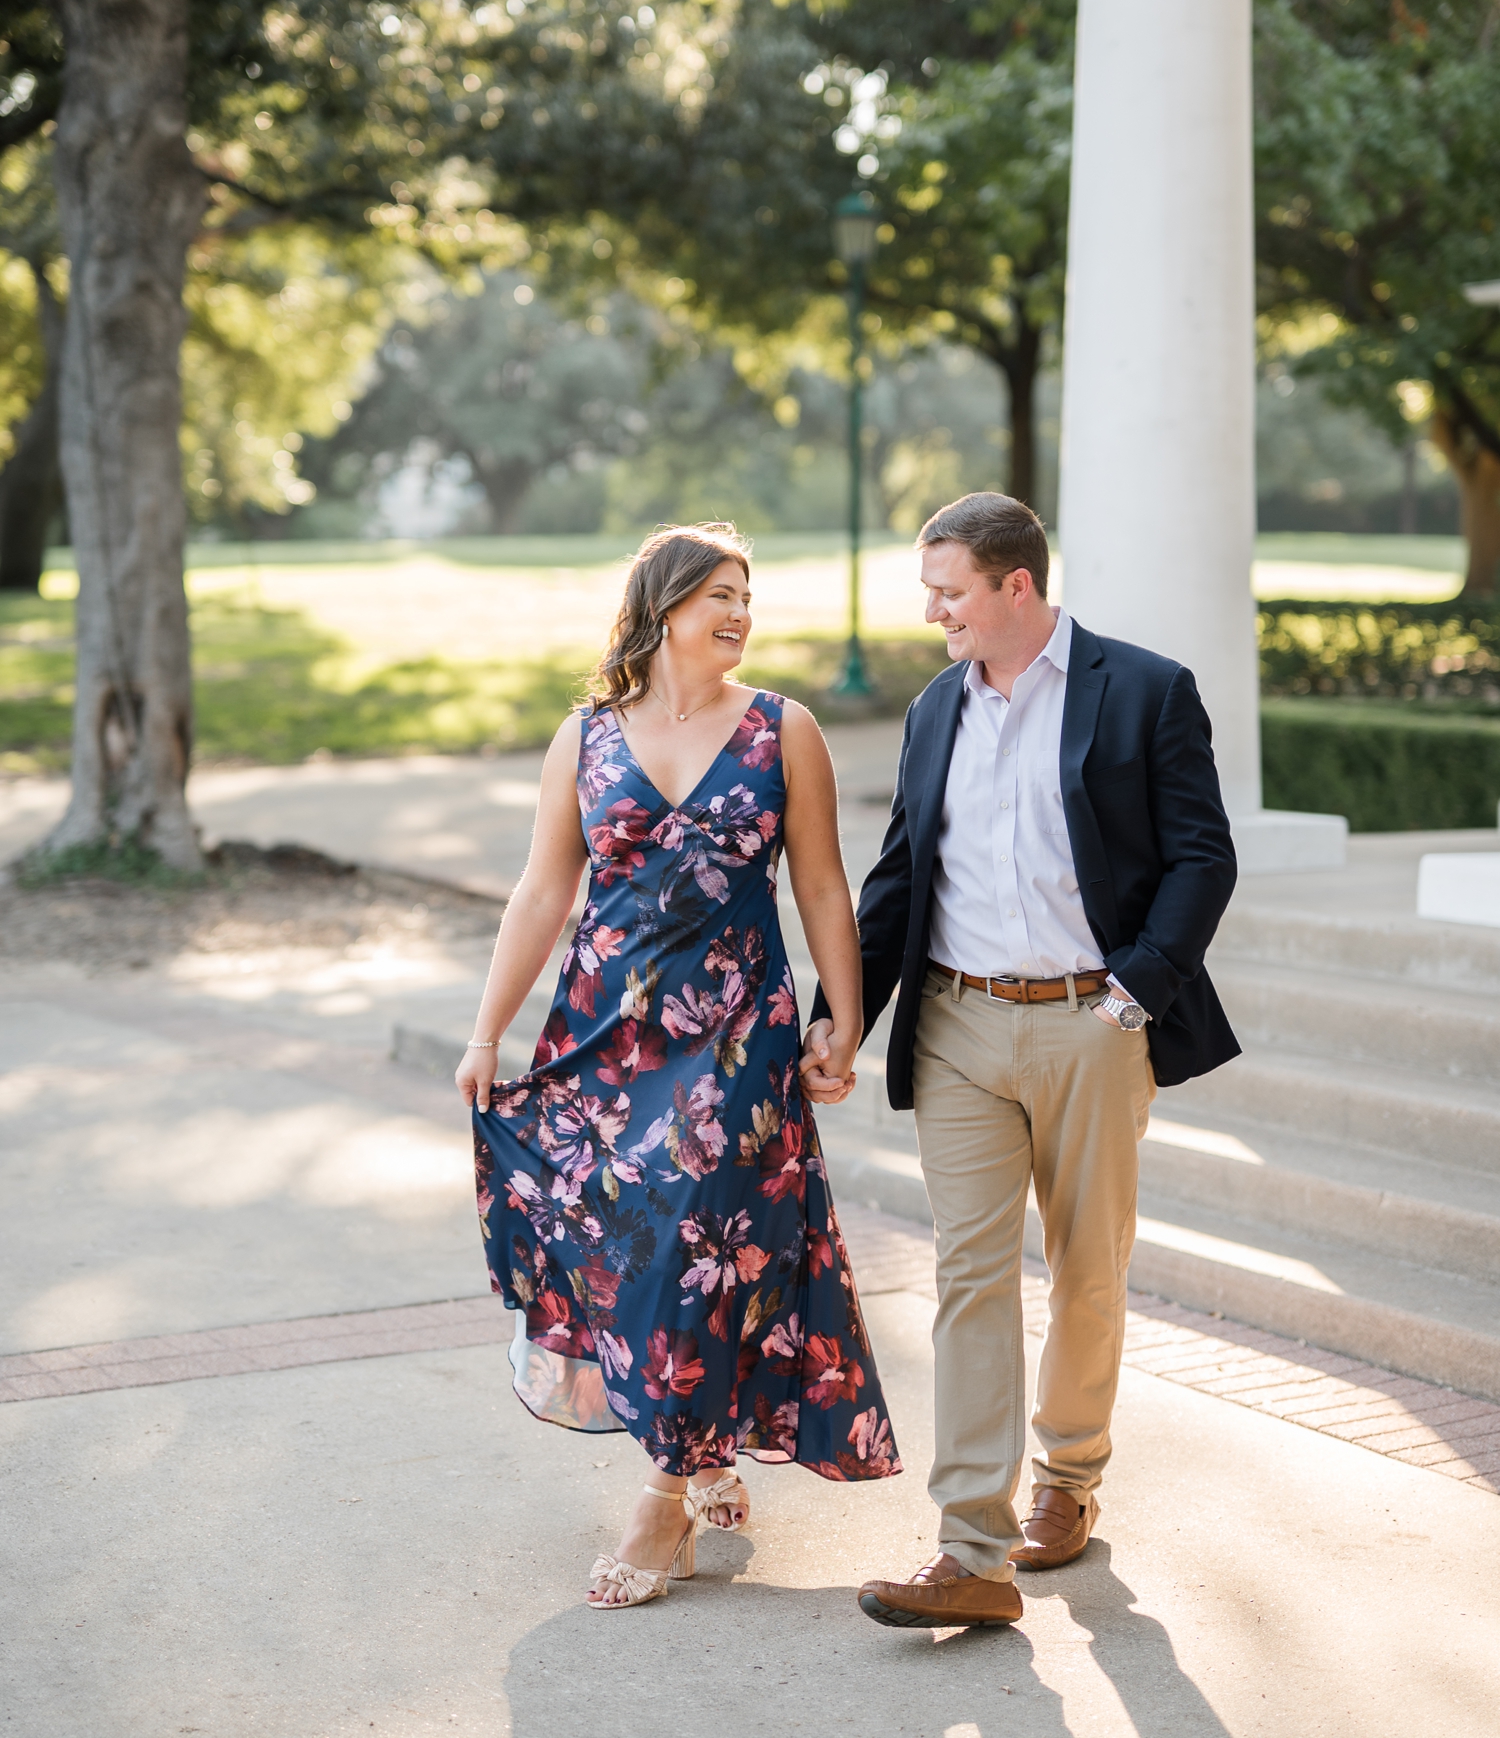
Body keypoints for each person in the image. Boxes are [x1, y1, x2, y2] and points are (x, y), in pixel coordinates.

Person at [800, 492, 1238, 1631]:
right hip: (956, 1025)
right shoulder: (934, 707)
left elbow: (1202, 857)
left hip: (1094, 1022)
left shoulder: (1142, 688)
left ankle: (1070, 1476)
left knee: (1087, 1266)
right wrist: (844, 1011)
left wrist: (1135, 990)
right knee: (971, 1276)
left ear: (1016, 587)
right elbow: (901, 873)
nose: (932, 610)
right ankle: (970, 1547)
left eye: (948, 590)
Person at [457, 521, 900, 1613]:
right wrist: (486, 1031)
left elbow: (825, 888)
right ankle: (702, 1448)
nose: (742, 612)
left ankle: (661, 1494)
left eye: (748, 594)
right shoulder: (588, 736)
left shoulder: (785, 730)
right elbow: (541, 894)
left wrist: (845, 1017)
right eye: (720, 593)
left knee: (696, 1240)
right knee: (625, 1246)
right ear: (663, 608)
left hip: (738, 1035)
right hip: (604, 1039)